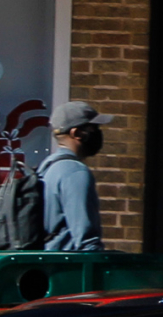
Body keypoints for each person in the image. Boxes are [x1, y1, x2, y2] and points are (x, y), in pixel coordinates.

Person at [42, 100, 114, 251]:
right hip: (67, 268)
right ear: (77, 133)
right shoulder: (75, 172)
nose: (98, 133)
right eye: (93, 128)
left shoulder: (48, 166)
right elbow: (86, 239)